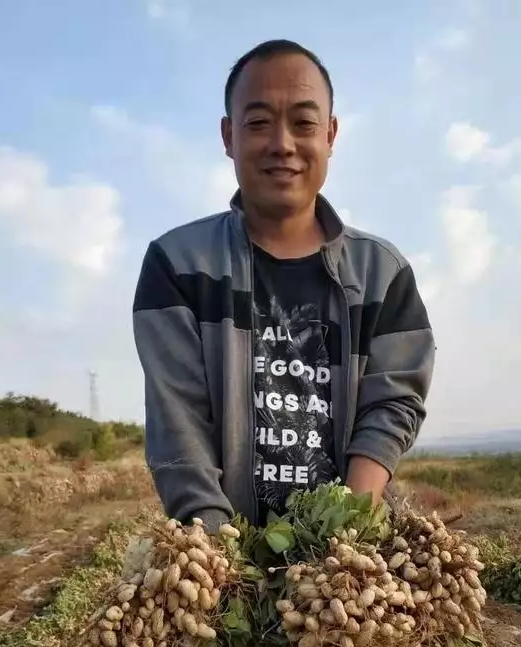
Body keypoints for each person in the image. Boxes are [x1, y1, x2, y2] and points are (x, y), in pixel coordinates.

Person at [132, 39, 435, 534]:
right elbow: (178, 423)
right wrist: (219, 556)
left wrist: (345, 532)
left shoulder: (383, 273)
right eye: (257, 123)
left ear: (330, 134)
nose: (282, 144)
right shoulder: (178, 265)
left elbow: (393, 400)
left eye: (303, 122)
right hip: (221, 555)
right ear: (228, 136)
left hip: (346, 561)